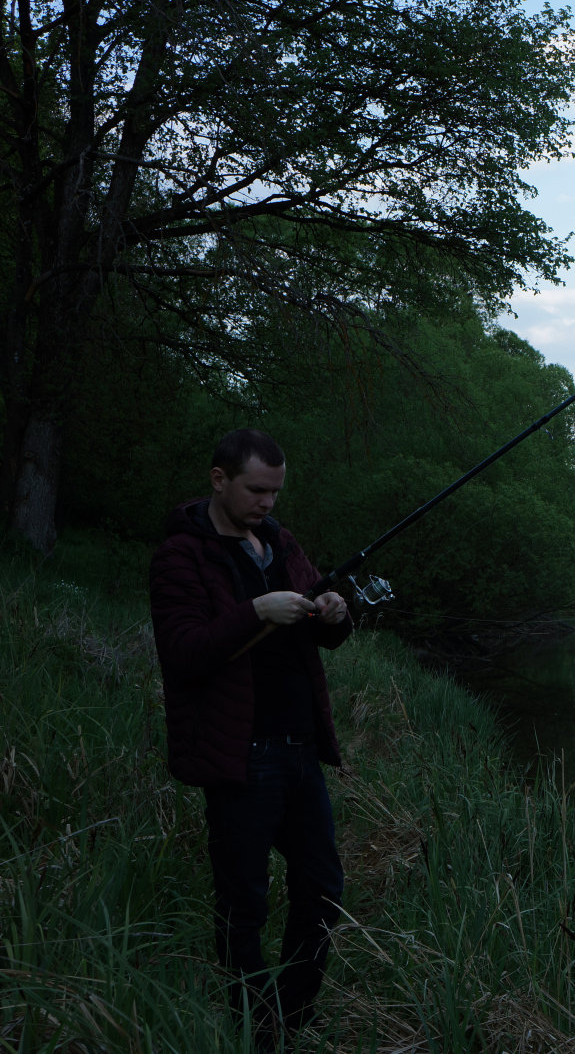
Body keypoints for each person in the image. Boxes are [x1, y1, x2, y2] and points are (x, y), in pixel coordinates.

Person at [149, 429, 352, 1047]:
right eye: (257, 490)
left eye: (275, 491)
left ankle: (289, 1012)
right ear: (220, 480)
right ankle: (252, 1023)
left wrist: (335, 614)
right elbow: (184, 653)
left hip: (298, 748)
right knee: (244, 901)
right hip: (238, 755)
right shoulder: (182, 556)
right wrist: (258, 610)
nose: (268, 502)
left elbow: (317, 624)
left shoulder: (281, 542)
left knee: (323, 889)